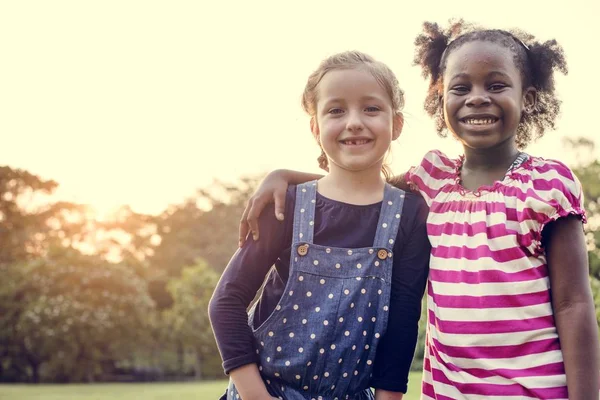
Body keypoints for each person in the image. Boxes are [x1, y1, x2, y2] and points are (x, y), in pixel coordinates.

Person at [237, 21, 600, 399]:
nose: (477, 98)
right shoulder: (432, 178)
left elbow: (573, 304)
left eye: (496, 85)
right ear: (440, 97)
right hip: (448, 393)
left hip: (535, 391)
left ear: (527, 96)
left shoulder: (547, 183)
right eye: (461, 88)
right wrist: (285, 176)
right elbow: (356, 185)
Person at [209, 51, 431, 400]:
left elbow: (403, 321)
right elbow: (226, 301)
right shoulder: (286, 205)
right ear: (315, 127)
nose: (354, 121)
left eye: (371, 108)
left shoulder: (410, 215)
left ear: (396, 124)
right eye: (336, 110)